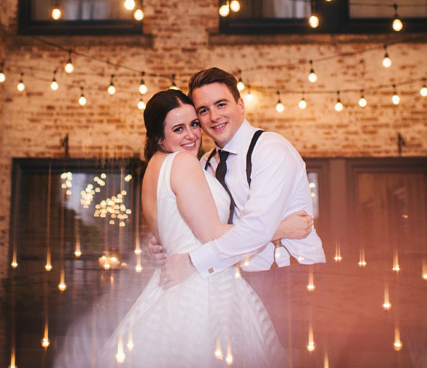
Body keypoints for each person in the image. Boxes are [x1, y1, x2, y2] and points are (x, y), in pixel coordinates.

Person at [94, 90, 312, 367]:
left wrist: (158, 247)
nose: (191, 135)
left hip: (171, 281)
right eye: (178, 129)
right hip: (204, 285)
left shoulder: (153, 168)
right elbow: (212, 236)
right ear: (159, 138)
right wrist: (281, 229)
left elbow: (169, 232)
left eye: (194, 124)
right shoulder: (184, 162)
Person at [154, 68, 326, 365]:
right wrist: (162, 241)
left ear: (241, 105)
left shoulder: (271, 151)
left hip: (292, 279)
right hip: (239, 280)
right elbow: (207, 224)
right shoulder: (205, 162)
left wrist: (193, 262)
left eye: (221, 104)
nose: (213, 117)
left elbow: (254, 229)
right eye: (203, 111)